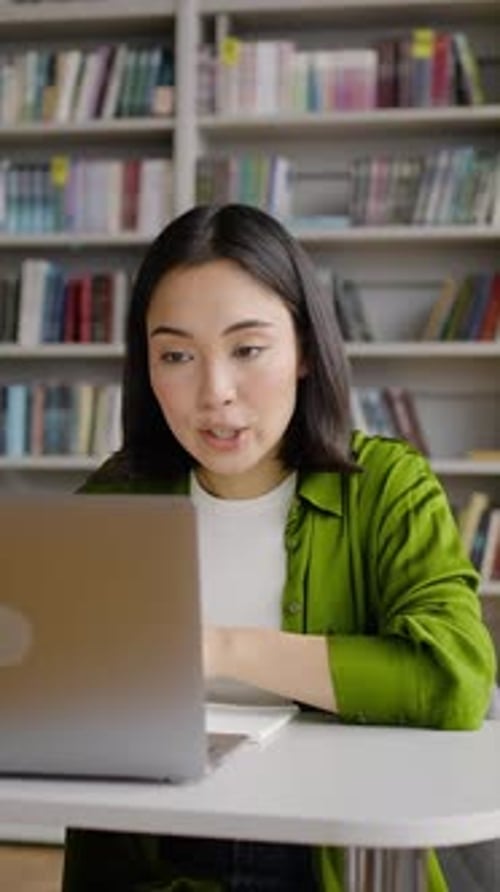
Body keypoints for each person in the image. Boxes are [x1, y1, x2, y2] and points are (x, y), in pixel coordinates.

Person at [62, 203, 496, 892]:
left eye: (248, 349)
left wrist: (214, 648)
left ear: (303, 351)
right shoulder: (117, 501)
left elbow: (455, 678)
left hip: (329, 854)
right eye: (176, 355)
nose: (215, 394)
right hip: (156, 856)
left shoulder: (385, 487)